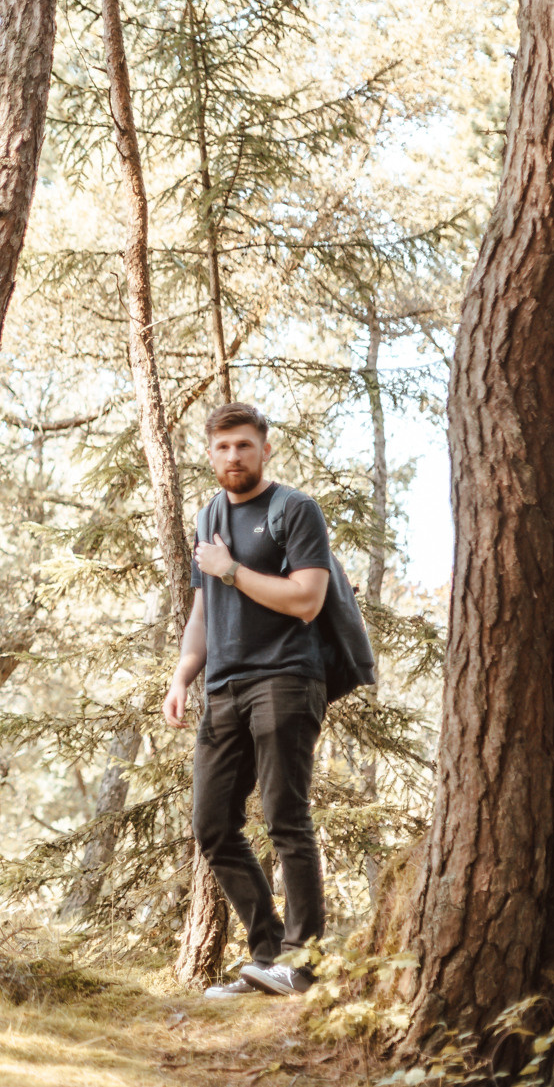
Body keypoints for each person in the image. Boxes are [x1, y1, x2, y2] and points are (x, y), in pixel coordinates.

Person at [163, 402, 331, 999]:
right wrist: (183, 676)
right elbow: (203, 609)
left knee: (286, 817)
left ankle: (302, 962)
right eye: (222, 447)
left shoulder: (295, 510)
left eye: (243, 445)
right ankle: (268, 961)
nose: (233, 456)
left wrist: (231, 570)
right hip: (223, 688)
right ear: (209, 454)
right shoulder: (209, 515)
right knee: (211, 825)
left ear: (265, 448)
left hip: (286, 678)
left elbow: (307, 599)